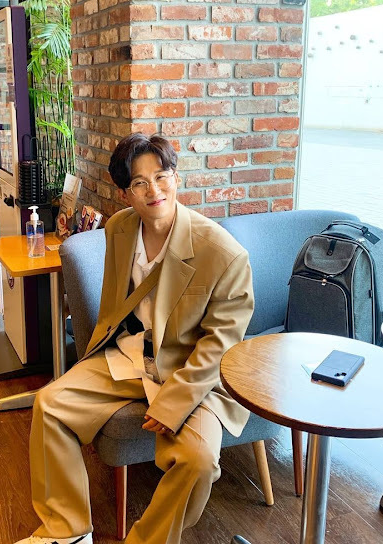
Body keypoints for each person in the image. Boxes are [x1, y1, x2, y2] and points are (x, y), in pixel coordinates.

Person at [16, 133, 254, 544]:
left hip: (190, 373)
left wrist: (176, 401)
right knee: (50, 405)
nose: (153, 190)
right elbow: (117, 303)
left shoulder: (223, 253)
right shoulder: (120, 228)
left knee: (198, 460)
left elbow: (220, 344)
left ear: (176, 178)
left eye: (161, 176)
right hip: (129, 356)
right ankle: (67, 531)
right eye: (139, 182)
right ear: (125, 194)